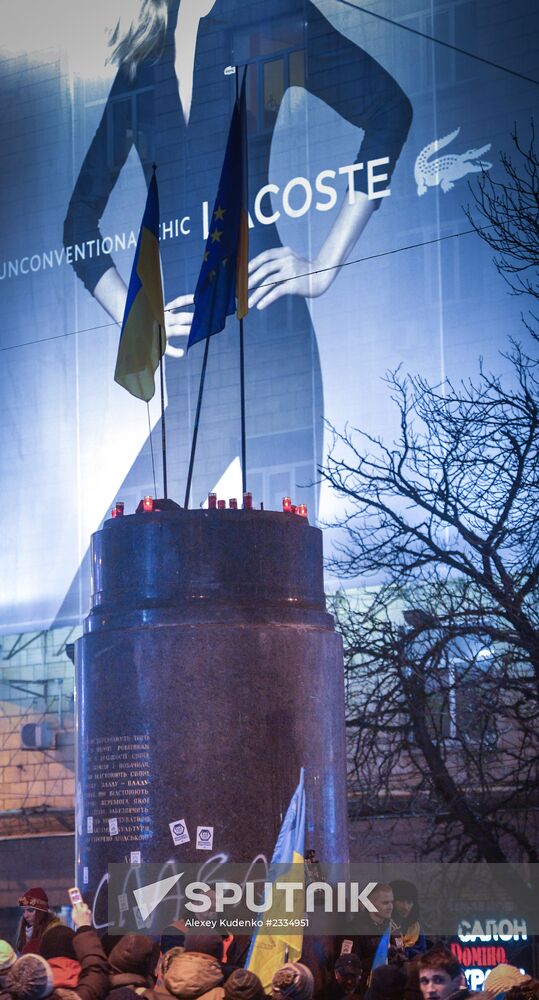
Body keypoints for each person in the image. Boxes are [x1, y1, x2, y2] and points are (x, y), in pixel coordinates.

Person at [63, 0, 412, 515]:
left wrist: (325, 265)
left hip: (272, 344)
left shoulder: (266, 12)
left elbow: (388, 110)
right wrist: (137, 318)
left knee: (276, 573)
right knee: (133, 557)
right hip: (191, 362)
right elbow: (79, 222)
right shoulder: (147, 51)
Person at [7, 903, 109, 1000]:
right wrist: (84, 925)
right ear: (76, 953)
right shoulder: (84, 994)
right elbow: (96, 969)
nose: (26, 915)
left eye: (30, 910)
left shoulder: (28, 991)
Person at [16, 890, 61, 957]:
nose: (25, 915)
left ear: (41, 912)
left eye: (30, 910)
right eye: (23, 911)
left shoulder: (55, 931)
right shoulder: (23, 929)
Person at [389, 881, 426, 958]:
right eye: (401, 901)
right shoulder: (381, 925)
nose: (405, 907)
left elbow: (422, 953)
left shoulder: (416, 929)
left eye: (409, 902)